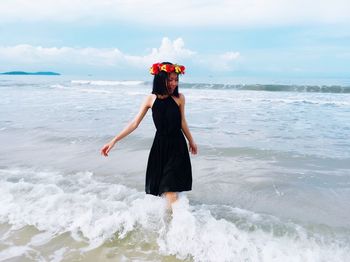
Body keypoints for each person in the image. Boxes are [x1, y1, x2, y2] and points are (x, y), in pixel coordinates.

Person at [100, 62, 197, 208]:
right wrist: (114, 140)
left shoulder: (180, 98)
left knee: (169, 188)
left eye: (176, 80)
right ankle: (171, 220)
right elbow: (134, 123)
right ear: (160, 79)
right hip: (160, 147)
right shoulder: (150, 99)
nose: (174, 83)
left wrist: (191, 141)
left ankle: (180, 224)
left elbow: (183, 121)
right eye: (170, 79)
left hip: (177, 147)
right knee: (164, 189)